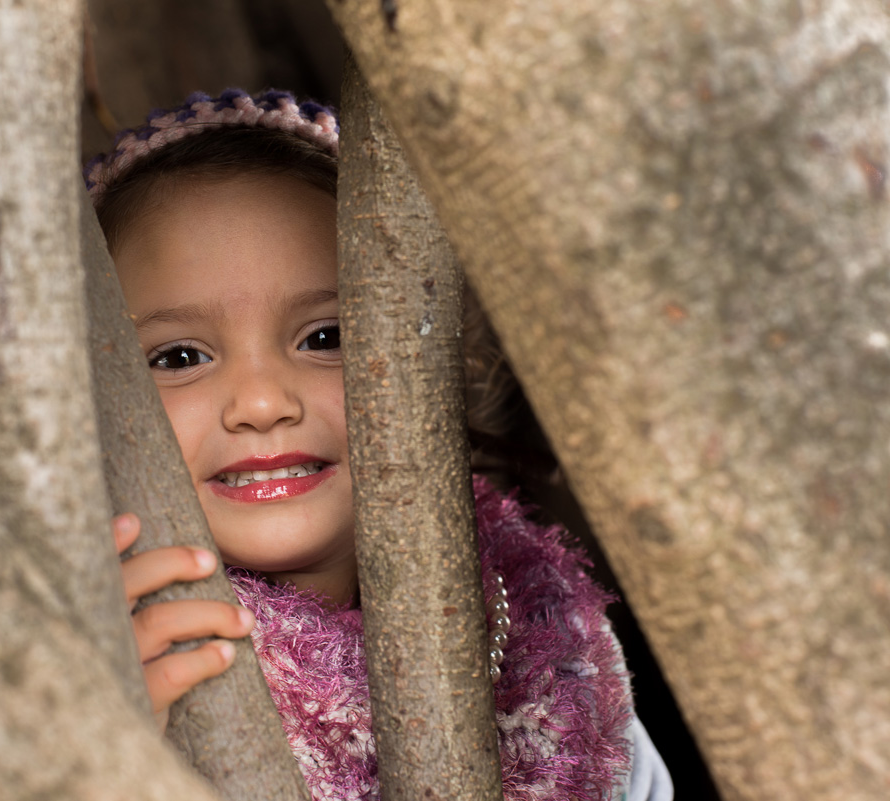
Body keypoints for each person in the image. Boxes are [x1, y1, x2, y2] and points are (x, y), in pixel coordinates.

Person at [85, 89, 671, 801]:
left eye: (325, 338)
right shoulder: (91, 667)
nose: (263, 403)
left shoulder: (565, 661)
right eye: (179, 357)